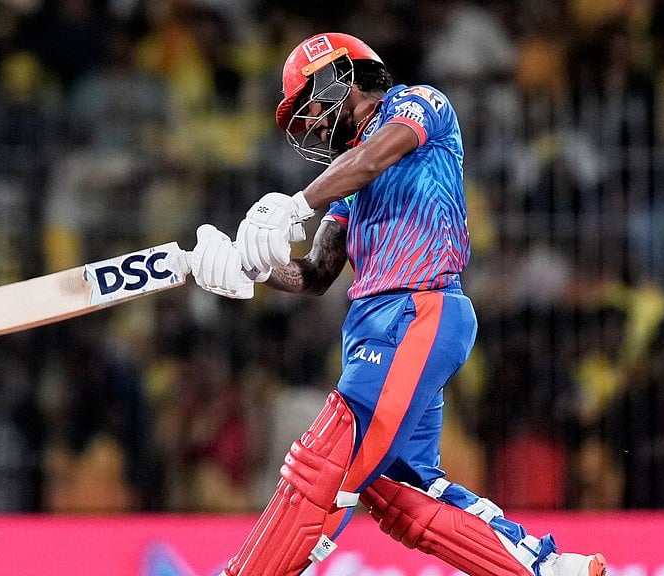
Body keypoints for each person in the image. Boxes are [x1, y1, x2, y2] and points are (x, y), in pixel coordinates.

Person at [188, 32, 606, 576]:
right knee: (403, 494)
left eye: (310, 105)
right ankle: (546, 569)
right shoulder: (349, 188)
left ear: (345, 74)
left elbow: (376, 154)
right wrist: (251, 268)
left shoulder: (420, 104)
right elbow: (315, 275)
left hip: (417, 312)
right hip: (377, 331)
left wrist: (296, 204)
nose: (310, 123)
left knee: (325, 463)